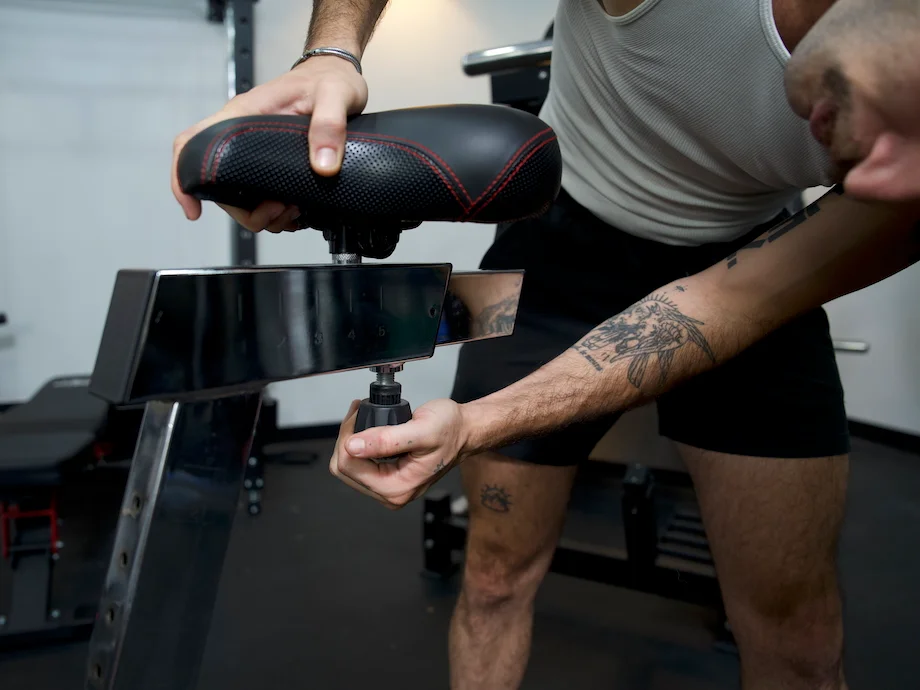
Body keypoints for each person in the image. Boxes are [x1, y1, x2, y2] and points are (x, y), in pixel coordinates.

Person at [172, 1, 920, 688]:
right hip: (566, 243)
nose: (880, 182)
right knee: (494, 577)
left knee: (800, 641)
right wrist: (332, 53)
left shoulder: (902, 190)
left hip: (753, 256)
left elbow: (725, 302)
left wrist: (473, 424)